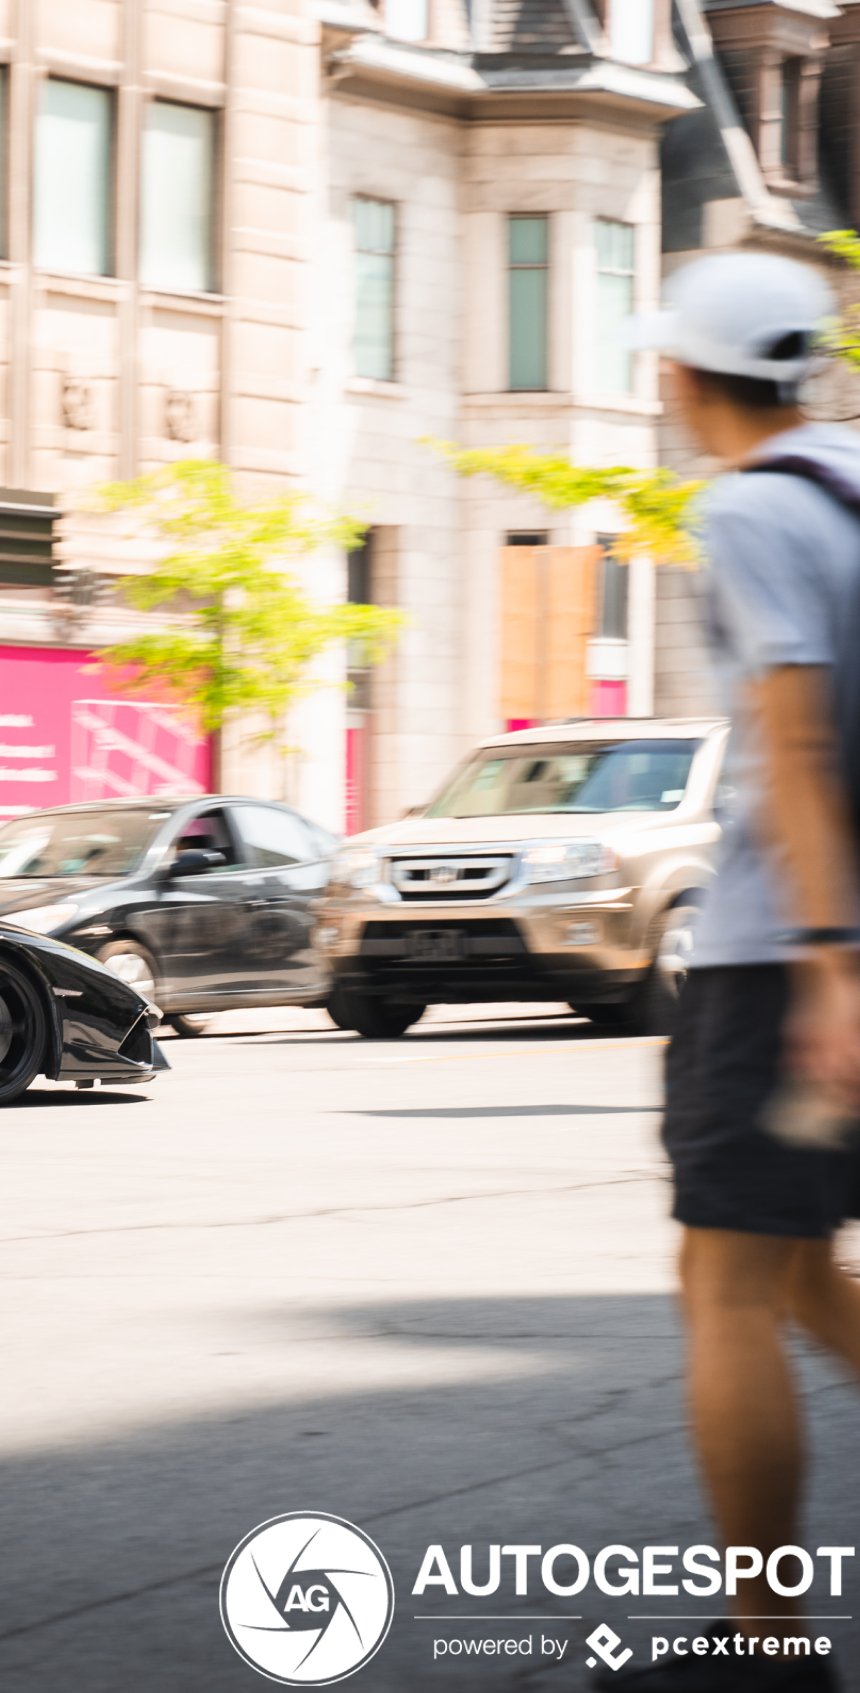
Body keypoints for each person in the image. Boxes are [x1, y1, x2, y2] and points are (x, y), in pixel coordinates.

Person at [601, 252, 860, 1693]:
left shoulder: (754, 509)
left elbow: (800, 739)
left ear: (693, 378)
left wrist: (830, 970)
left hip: (789, 964)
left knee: (727, 1286)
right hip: (827, 959)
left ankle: (766, 1654)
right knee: (792, 1259)